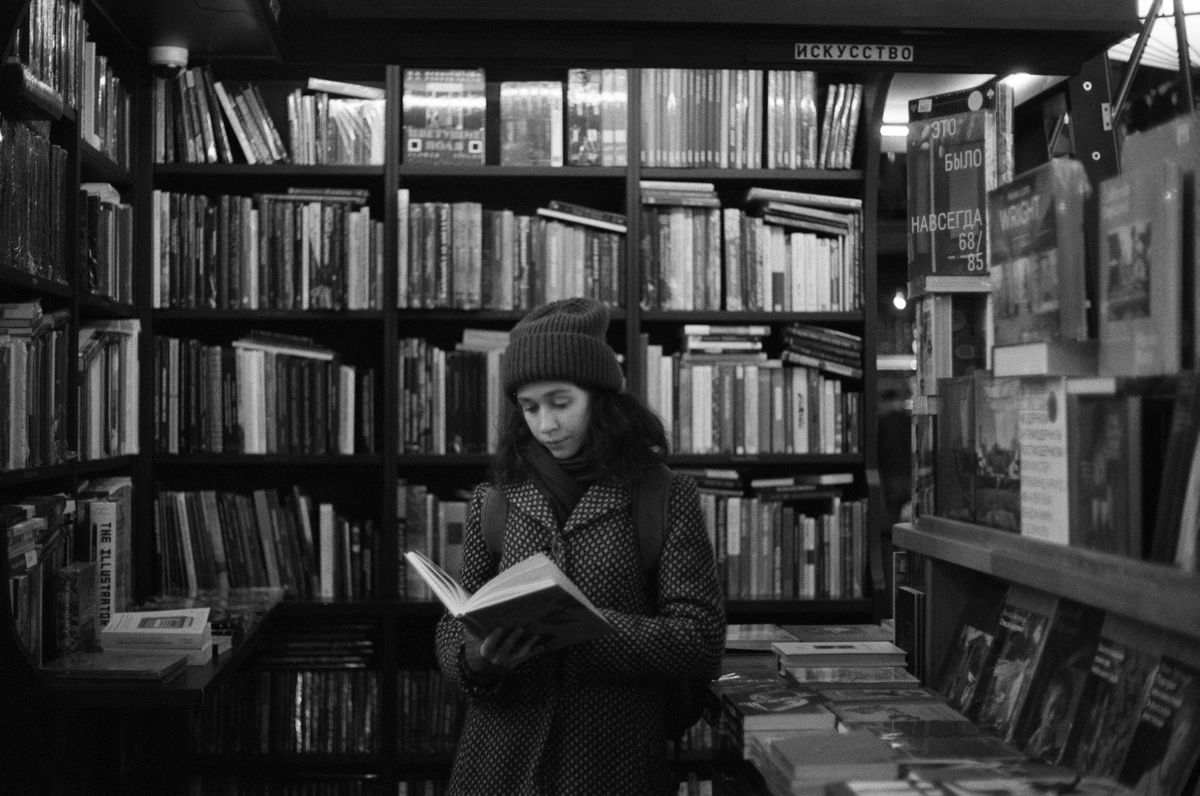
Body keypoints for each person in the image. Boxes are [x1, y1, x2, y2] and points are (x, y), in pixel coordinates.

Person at [434, 297, 726, 795]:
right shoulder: (496, 498)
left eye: (560, 402)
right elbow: (455, 621)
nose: (545, 424)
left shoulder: (661, 494)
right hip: (498, 763)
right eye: (529, 408)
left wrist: (582, 629)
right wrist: (477, 660)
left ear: (599, 396)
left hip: (612, 762)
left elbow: (700, 640)